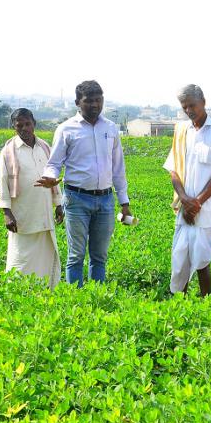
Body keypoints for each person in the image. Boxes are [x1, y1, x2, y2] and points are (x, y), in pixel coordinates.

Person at [37, 80, 132, 287]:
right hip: (76, 198)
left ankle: (95, 299)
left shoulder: (110, 128)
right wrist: (50, 177)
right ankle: (76, 301)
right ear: (78, 103)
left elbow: (118, 169)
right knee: (76, 255)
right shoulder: (66, 129)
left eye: (98, 100)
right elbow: (54, 163)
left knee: (99, 256)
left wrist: (124, 202)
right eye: (89, 101)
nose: (95, 105)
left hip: (106, 200)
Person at [164, 84, 211, 295]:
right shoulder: (181, 130)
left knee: (202, 260)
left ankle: (206, 303)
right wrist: (185, 200)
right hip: (184, 207)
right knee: (180, 258)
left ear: (203, 102)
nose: (189, 110)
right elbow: (174, 170)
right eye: (185, 107)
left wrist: (197, 202)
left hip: (205, 208)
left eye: (192, 105)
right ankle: (178, 302)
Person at [0, 108, 64, 289]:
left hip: (43, 214)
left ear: (34, 124)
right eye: (19, 125)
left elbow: (53, 177)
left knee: (45, 256)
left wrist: (58, 204)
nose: (24, 129)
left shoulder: (45, 147)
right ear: (14, 127)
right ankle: (17, 292)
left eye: (27, 124)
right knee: (21, 260)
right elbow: (2, 182)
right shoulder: (8, 151)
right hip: (22, 215)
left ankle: (45, 291)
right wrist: (7, 213)